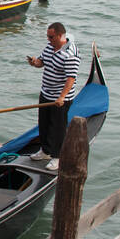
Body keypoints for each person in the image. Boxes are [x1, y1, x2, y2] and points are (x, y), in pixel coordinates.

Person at [26, 21, 80, 171]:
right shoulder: (50, 46)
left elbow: (71, 78)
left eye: (51, 37)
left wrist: (62, 97)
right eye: (48, 37)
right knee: (43, 123)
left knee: (58, 127)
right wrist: (34, 62)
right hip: (46, 93)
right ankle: (45, 151)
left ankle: (57, 157)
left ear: (60, 36)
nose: (48, 40)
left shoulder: (70, 54)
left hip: (61, 98)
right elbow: (42, 62)